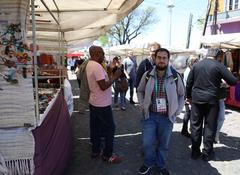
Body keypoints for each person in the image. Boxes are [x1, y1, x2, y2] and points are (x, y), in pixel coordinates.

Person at [137, 48, 185, 175]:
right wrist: (142, 105)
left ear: (168, 60)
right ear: (155, 58)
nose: (162, 60)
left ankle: (161, 165)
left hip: (167, 117)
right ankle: (148, 162)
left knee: (164, 145)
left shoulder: (175, 76)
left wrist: (178, 110)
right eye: (159, 57)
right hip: (150, 116)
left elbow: (181, 94)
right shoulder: (147, 75)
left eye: (164, 58)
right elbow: (140, 90)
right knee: (147, 143)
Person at [186, 48, 237, 161]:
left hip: (197, 100)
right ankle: (207, 153)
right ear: (218, 56)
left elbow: (189, 83)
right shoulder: (218, 65)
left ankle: (195, 152)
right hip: (212, 100)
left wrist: (189, 97)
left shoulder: (196, 65)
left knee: (195, 126)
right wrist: (222, 84)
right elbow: (233, 81)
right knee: (210, 127)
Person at [86, 45, 122, 163]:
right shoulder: (96, 66)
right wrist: (115, 77)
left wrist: (110, 72)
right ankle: (108, 154)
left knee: (96, 128)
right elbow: (103, 86)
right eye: (102, 53)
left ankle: (96, 150)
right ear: (97, 53)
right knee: (110, 128)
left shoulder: (90, 64)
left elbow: (102, 81)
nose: (104, 56)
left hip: (95, 102)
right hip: (102, 104)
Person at [181, 55, 199, 138]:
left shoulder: (190, 70)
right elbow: (189, 85)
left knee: (188, 113)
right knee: (188, 113)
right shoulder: (189, 71)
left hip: (189, 95)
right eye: (196, 62)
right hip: (189, 95)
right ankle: (185, 130)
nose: (197, 63)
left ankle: (186, 129)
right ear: (192, 62)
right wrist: (188, 97)